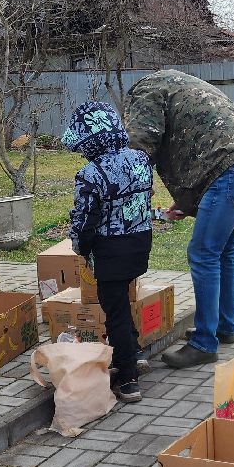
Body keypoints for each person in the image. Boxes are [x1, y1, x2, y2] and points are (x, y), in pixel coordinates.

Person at [124, 70, 234, 369]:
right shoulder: (178, 83)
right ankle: (223, 327)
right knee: (224, 248)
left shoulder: (145, 91)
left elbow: (142, 143)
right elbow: (201, 138)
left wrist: (129, 187)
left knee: (203, 253)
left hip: (230, 167)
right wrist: (185, 202)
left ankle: (204, 343)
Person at [63, 100, 154, 403]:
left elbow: (85, 220)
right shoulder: (141, 159)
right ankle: (136, 350)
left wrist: (81, 247)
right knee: (121, 300)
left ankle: (128, 379)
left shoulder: (91, 173)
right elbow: (145, 199)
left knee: (113, 310)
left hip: (111, 249)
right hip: (140, 242)